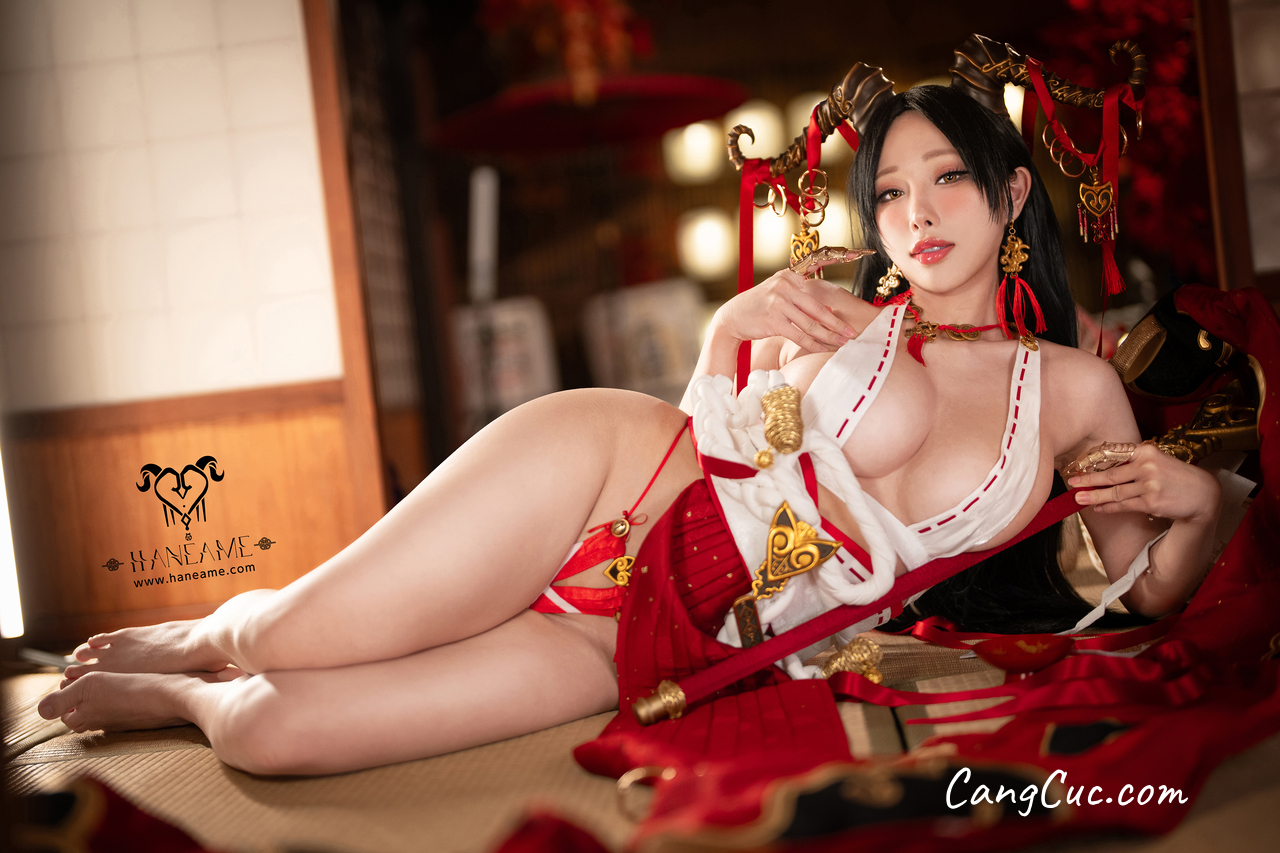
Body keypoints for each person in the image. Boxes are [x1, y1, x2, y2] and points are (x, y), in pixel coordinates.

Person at [36, 85, 1222, 777]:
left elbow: (1142, 594)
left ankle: (189, 695)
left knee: (277, 732)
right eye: (889, 191)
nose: (914, 213)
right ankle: (214, 629)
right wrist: (724, 332)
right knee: (290, 637)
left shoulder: (1071, 389)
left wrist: (1199, 505)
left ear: (1011, 193)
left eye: (947, 178)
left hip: (661, 638)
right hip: (613, 472)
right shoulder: (834, 307)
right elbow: (722, 424)